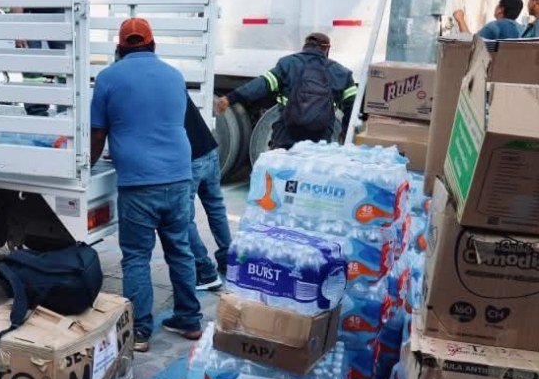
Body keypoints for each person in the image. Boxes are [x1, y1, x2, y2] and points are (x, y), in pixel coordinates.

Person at [90, 18, 202, 353]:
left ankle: (140, 332)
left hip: (139, 182)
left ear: (119, 47)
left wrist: (87, 166)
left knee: (137, 256)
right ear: (153, 44)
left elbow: (98, 133)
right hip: (179, 176)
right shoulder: (174, 75)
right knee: (179, 249)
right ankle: (190, 320)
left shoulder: (109, 77)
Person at [214, 33, 358, 150]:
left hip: (287, 134)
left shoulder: (287, 64)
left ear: (304, 47)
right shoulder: (342, 73)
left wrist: (230, 98)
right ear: (327, 49)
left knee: (282, 174)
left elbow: (261, 85)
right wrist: (346, 131)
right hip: (320, 138)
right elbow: (352, 106)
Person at [183, 95, 231, 291]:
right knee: (215, 207)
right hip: (209, 150)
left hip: (191, 158)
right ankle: (229, 261)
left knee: (182, 217)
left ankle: (204, 271)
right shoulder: (170, 78)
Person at [453, 0, 523, 39]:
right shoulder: (522, 30)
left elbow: (471, 44)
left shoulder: (494, 27)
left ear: (501, 10)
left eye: (498, 4)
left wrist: (460, 20)